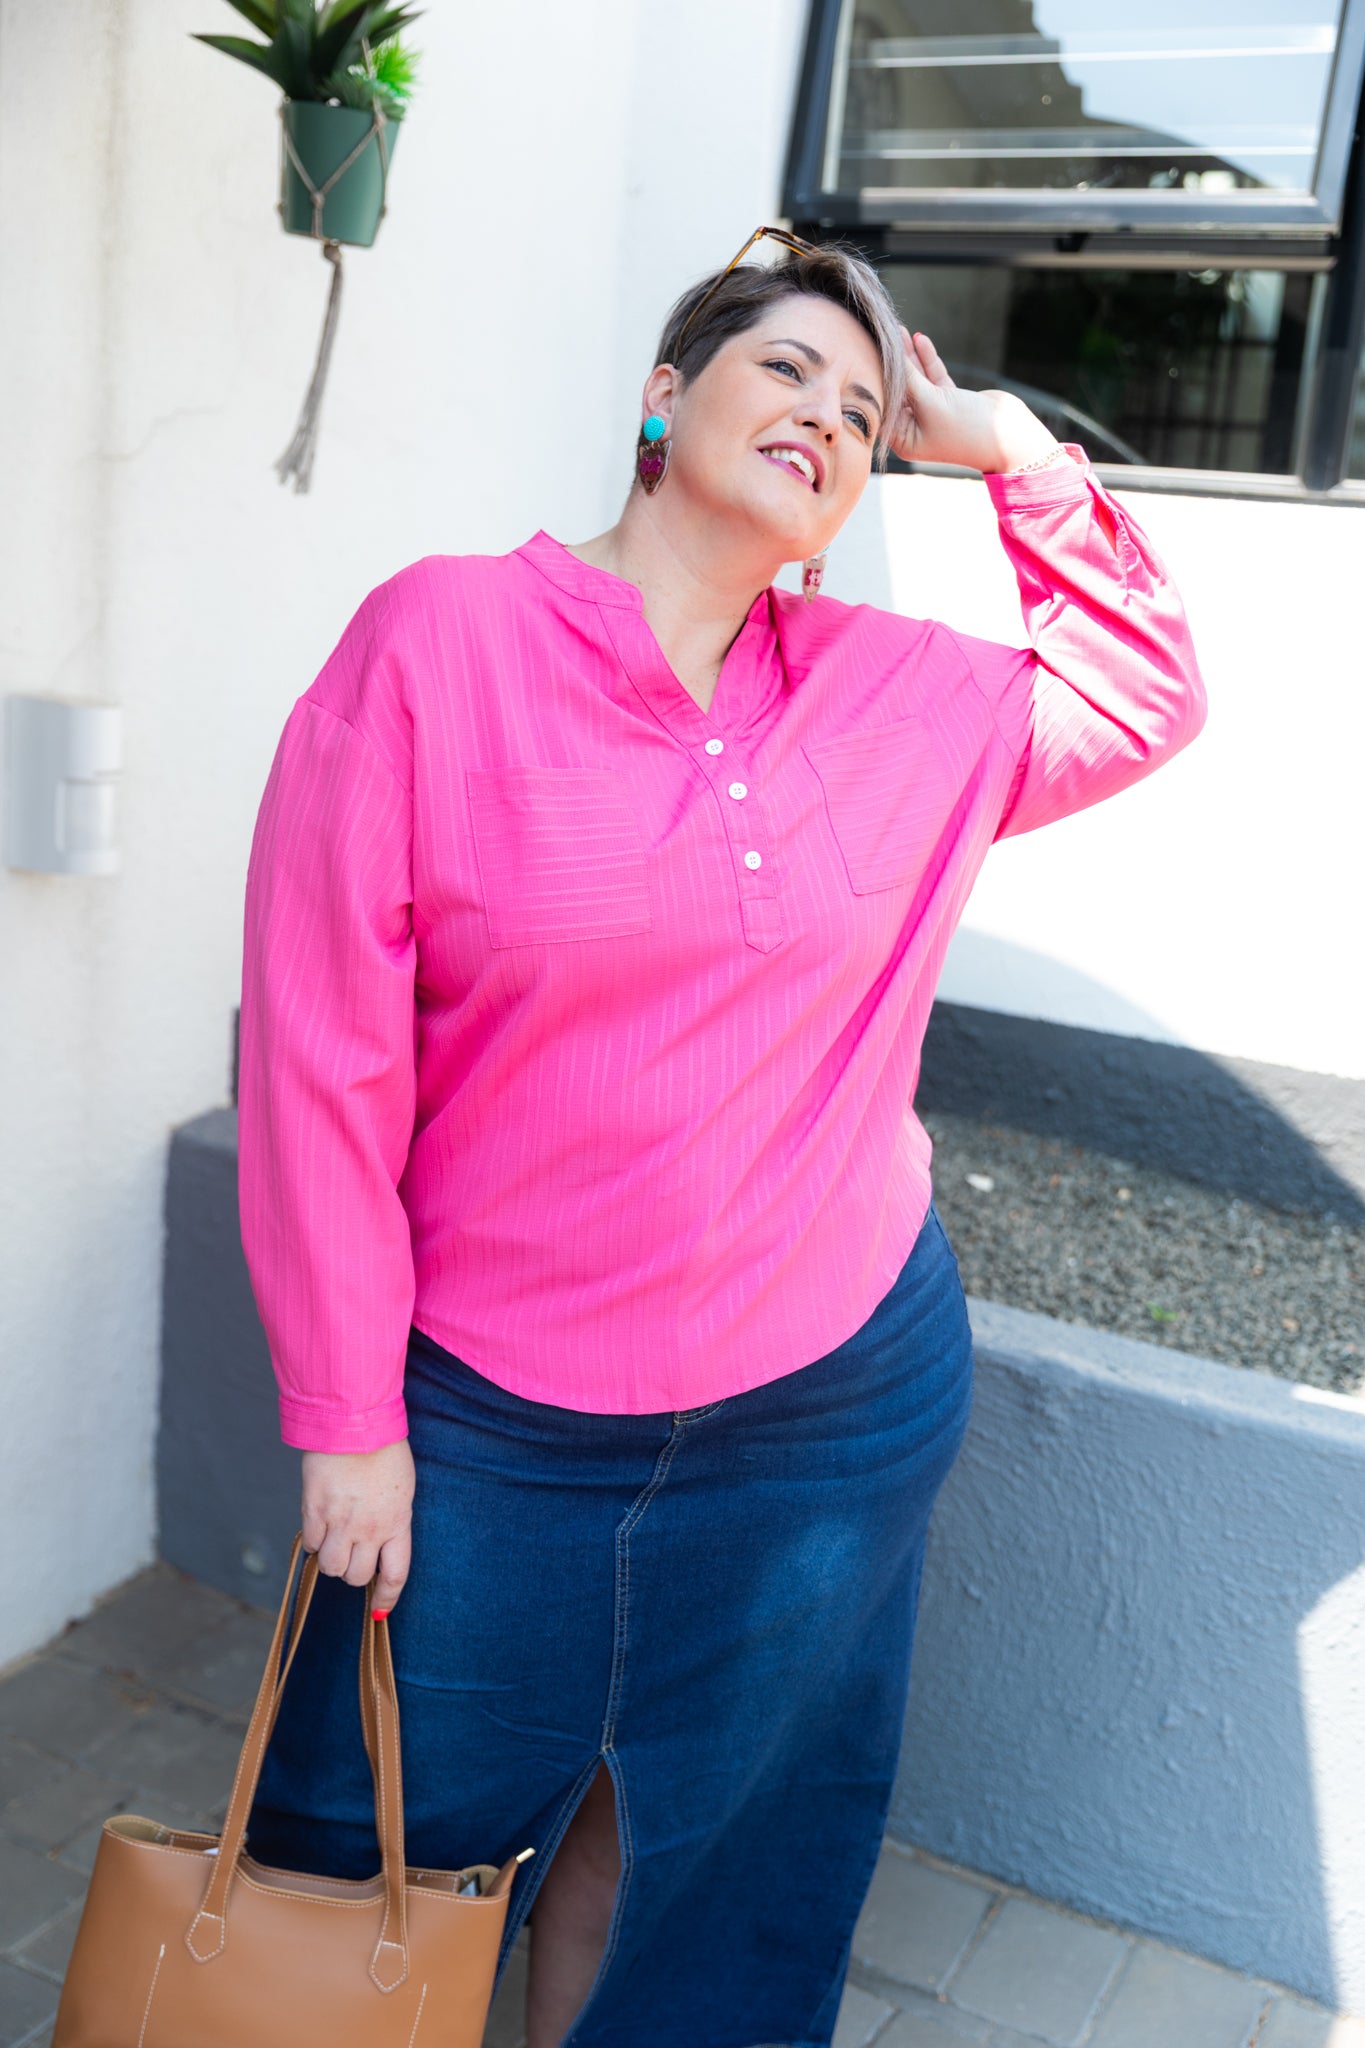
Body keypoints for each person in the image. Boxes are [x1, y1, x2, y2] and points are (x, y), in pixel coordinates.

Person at [236, 228, 1206, 2048]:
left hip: (826, 1421)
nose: (825, 417)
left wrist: (998, 444)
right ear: (664, 395)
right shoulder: (438, 641)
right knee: (357, 1870)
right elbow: (321, 1064)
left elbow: (1143, 693)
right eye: (783, 372)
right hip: (487, 1434)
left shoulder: (896, 694)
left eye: (857, 410)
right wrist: (349, 1423)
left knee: (713, 1878)